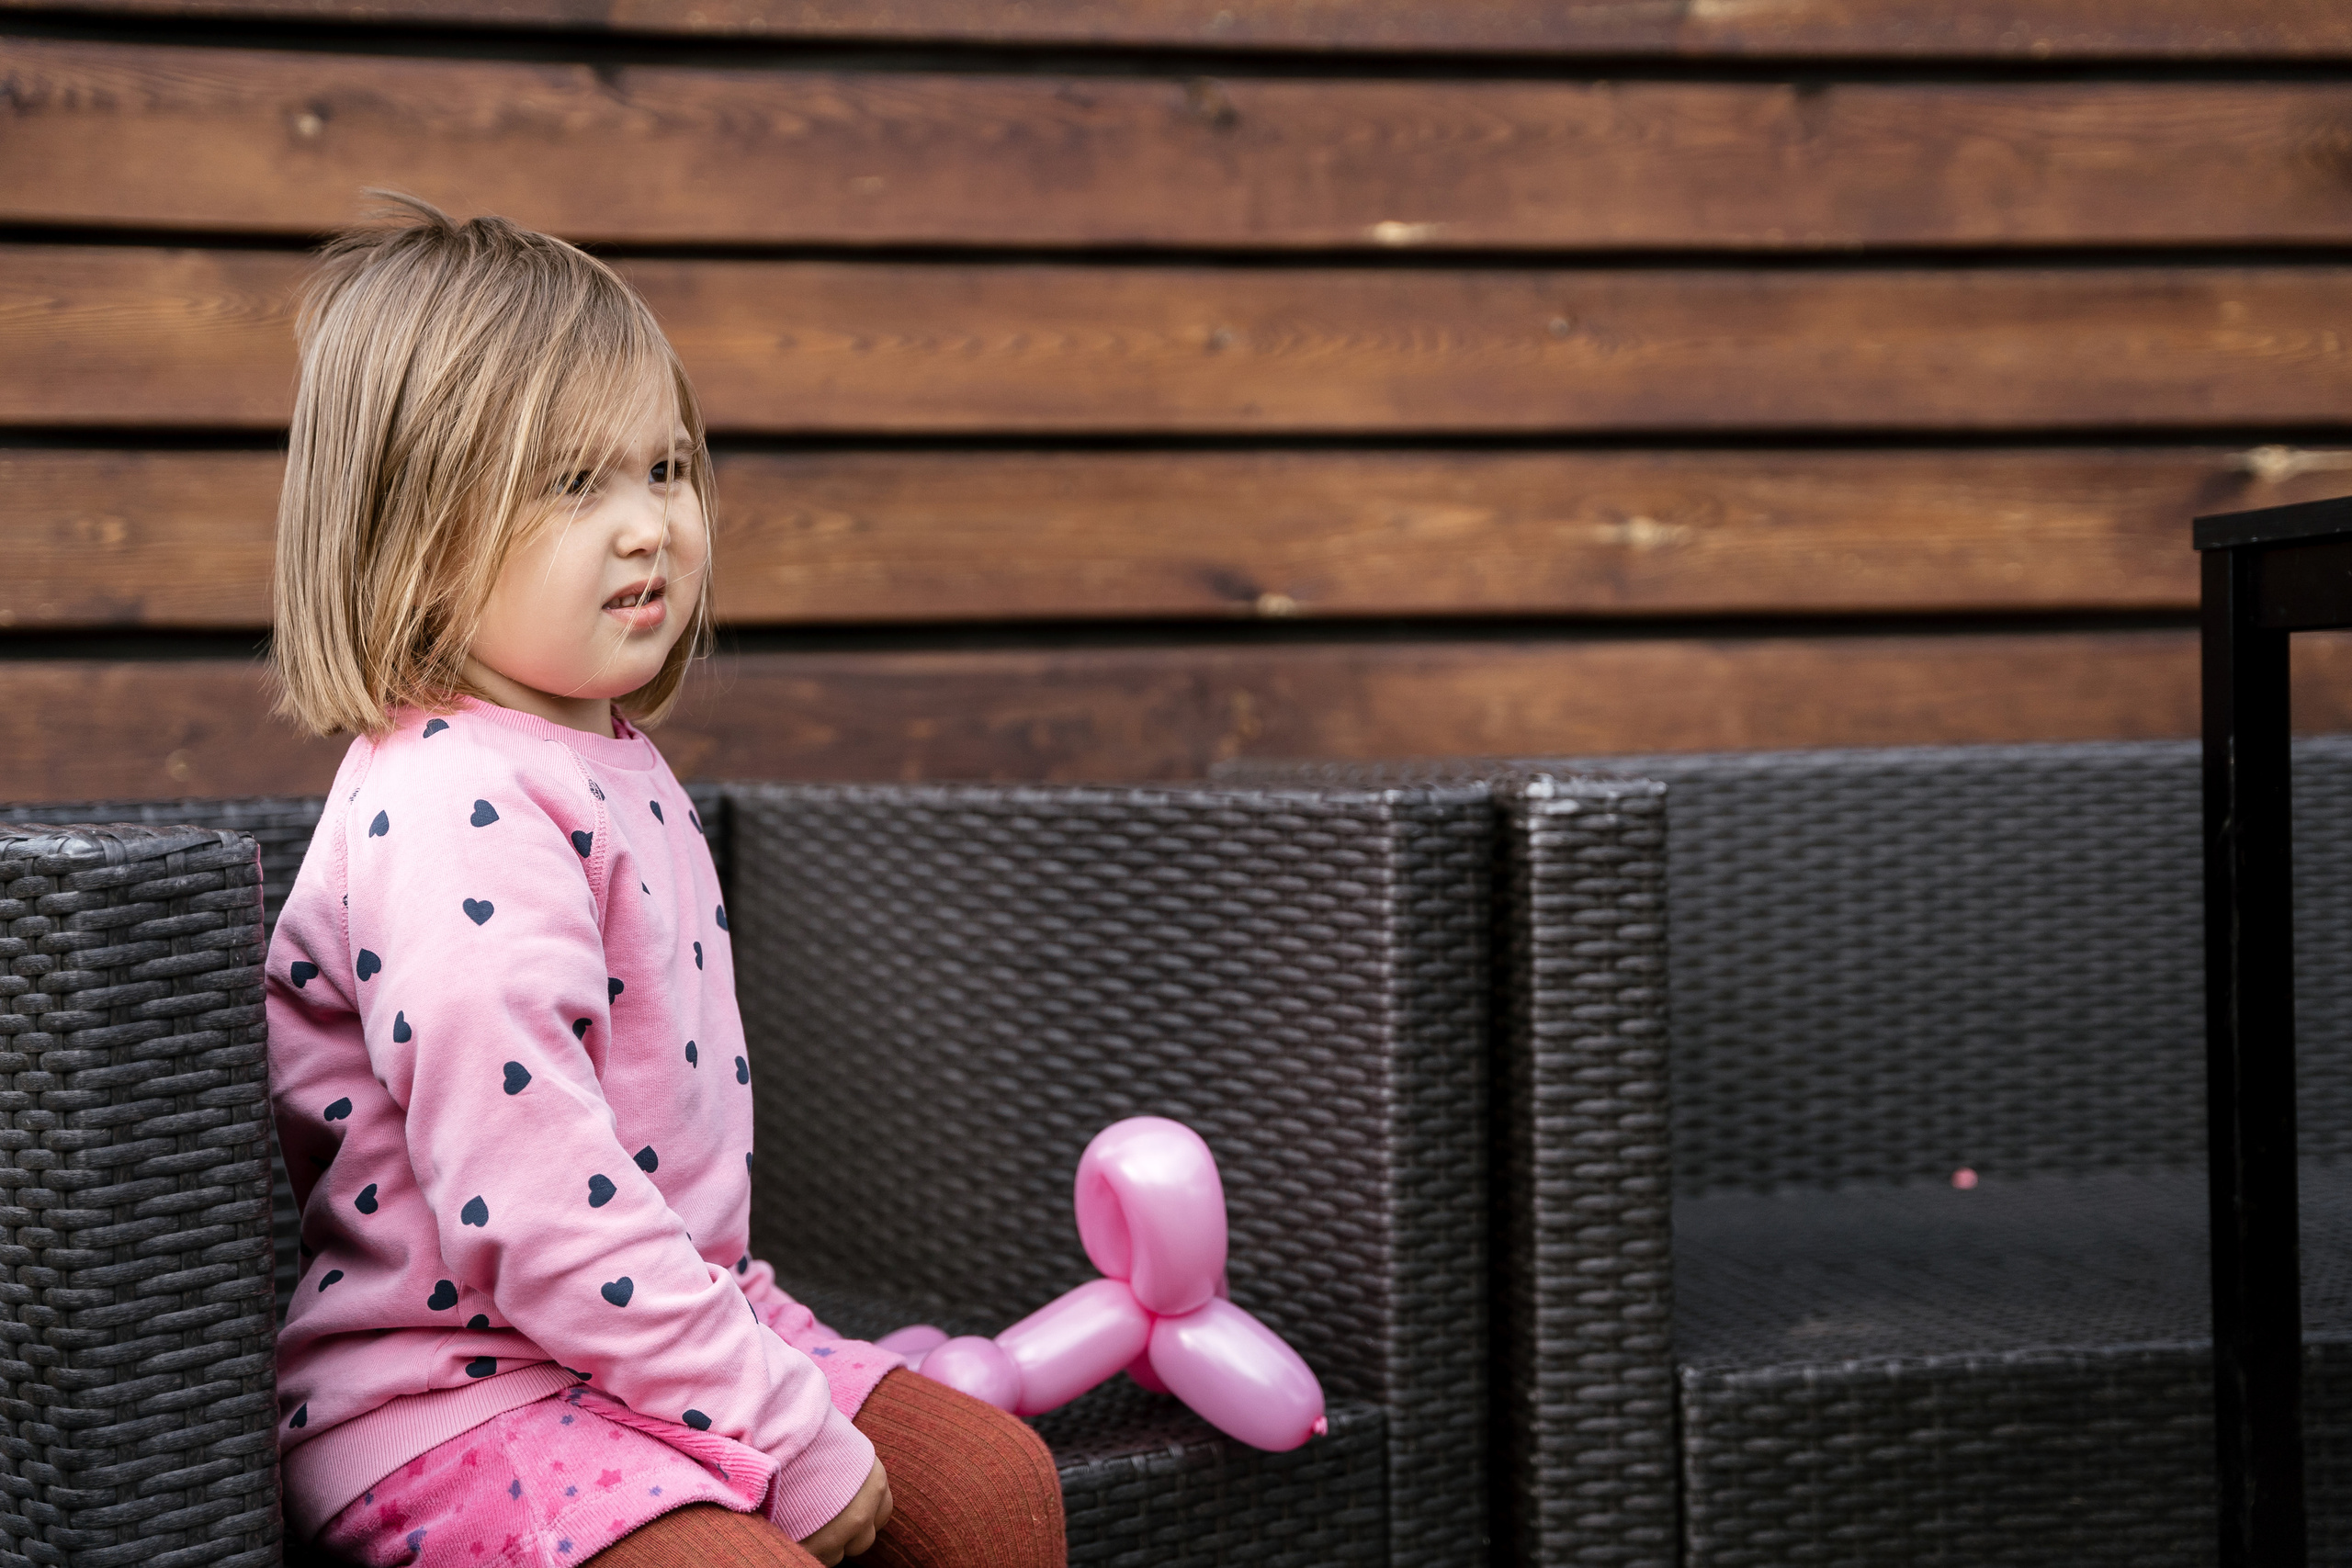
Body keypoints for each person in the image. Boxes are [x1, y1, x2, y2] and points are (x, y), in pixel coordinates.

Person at [264, 194, 1066, 1568]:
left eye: (667, 468)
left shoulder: (606, 757)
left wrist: (754, 1381)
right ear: (414, 528)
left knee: (991, 1492)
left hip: (671, 1334)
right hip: (461, 1399)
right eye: (576, 483)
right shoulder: (450, 799)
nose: (649, 527)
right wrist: (790, 1435)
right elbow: (533, 1209)